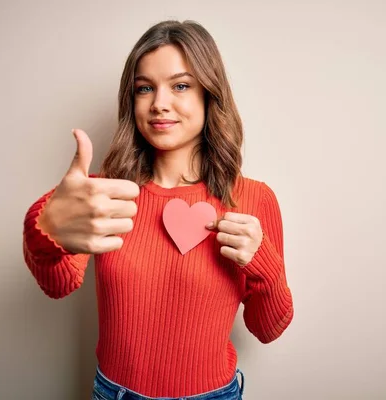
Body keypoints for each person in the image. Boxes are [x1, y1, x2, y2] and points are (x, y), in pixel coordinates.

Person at [22, 19, 294, 400]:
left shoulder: (253, 199)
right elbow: (58, 283)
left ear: (208, 95)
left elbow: (269, 328)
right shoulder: (106, 194)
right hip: (114, 393)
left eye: (180, 86)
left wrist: (262, 262)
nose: (159, 103)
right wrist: (44, 227)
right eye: (144, 88)